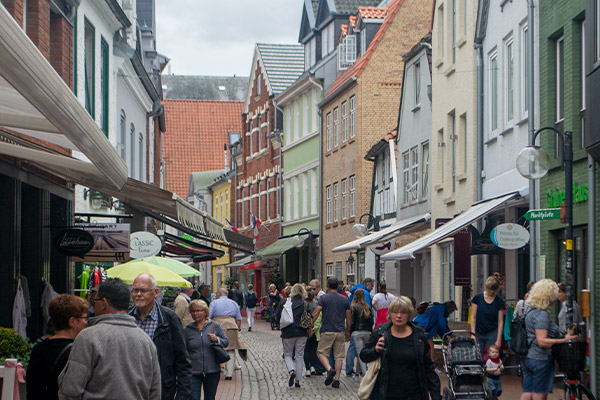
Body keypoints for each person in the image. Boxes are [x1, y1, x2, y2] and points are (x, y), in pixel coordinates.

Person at [58, 278, 161, 399]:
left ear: (103, 303)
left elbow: (71, 389)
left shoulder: (88, 337)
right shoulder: (146, 341)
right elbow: (155, 392)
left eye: (94, 301)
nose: (93, 305)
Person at [360, 296, 441, 400]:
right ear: (390, 314)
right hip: (385, 393)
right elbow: (364, 355)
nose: (399, 316)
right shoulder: (381, 332)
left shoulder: (419, 336)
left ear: (409, 314)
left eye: (403, 312)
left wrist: (435, 395)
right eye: (395, 312)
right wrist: (375, 350)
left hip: (414, 394)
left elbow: (428, 368)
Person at [129, 274, 192, 400]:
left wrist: (182, 396)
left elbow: (182, 361)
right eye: (135, 290)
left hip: (161, 390)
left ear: (155, 292)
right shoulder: (127, 318)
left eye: (143, 290)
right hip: (131, 389)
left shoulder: (169, 319)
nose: (138, 294)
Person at [521, 279, 577, 400]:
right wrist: (564, 340)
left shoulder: (529, 309)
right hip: (540, 358)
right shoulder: (541, 314)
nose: (556, 298)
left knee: (527, 391)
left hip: (527, 356)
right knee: (539, 393)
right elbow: (542, 341)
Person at [27, 294, 88, 400]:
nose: (86, 322)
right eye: (84, 318)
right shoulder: (76, 352)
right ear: (72, 321)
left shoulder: (38, 348)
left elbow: (32, 387)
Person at [183, 300, 228, 400]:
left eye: (198, 311)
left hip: (212, 370)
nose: (195, 314)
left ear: (205, 312)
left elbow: (226, 342)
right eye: (193, 311)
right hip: (193, 371)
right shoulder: (187, 330)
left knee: (210, 397)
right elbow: (183, 350)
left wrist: (217, 339)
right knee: (193, 397)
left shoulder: (214, 326)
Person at [312, 277, 351, 388]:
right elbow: (348, 317)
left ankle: (329, 370)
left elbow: (316, 312)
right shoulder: (344, 299)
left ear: (328, 286)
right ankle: (337, 380)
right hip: (340, 331)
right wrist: (348, 330)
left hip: (327, 330)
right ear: (338, 286)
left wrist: (311, 324)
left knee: (321, 353)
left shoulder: (324, 298)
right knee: (338, 356)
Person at [275, 283, 310, 388]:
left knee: (288, 354)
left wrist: (278, 324)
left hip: (288, 332)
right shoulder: (305, 304)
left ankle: (291, 371)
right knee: (299, 356)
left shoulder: (285, 302)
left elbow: (277, 316)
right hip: (302, 332)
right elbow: (309, 317)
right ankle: (298, 381)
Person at [209, 287, 247, 380]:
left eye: (217, 293)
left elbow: (209, 316)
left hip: (218, 325)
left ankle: (219, 368)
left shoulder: (214, 303)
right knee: (231, 349)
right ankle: (229, 374)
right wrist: (238, 328)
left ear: (220, 293)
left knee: (217, 347)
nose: (216, 294)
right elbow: (238, 318)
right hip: (231, 325)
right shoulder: (234, 303)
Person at [470, 275, 505, 357]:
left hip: (492, 331)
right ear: (486, 287)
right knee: (477, 356)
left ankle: (491, 369)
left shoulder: (499, 301)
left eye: (494, 290)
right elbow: (473, 317)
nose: (492, 292)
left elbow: (500, 321)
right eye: (490, 289)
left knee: (493, 356)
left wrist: (499, 339)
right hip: (479, 331)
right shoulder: (477, 298)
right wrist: (473, 334)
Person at [347, 277, 375, 376]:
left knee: (358, 352)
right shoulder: (367, 306)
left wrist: (349, 331)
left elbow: (352, 320)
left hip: (357, 331)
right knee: (363, 351)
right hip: (367, 331)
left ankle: (363, 372)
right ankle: (359, 372)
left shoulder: (353, 306)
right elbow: (371, 319)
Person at [303, 289, 325, 377]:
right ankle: (312, 366)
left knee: (306, 350)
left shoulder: (303, 306)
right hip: (314, 330)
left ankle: (307, 368)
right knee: (313, 349)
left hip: (305, 330)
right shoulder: (316, 306)